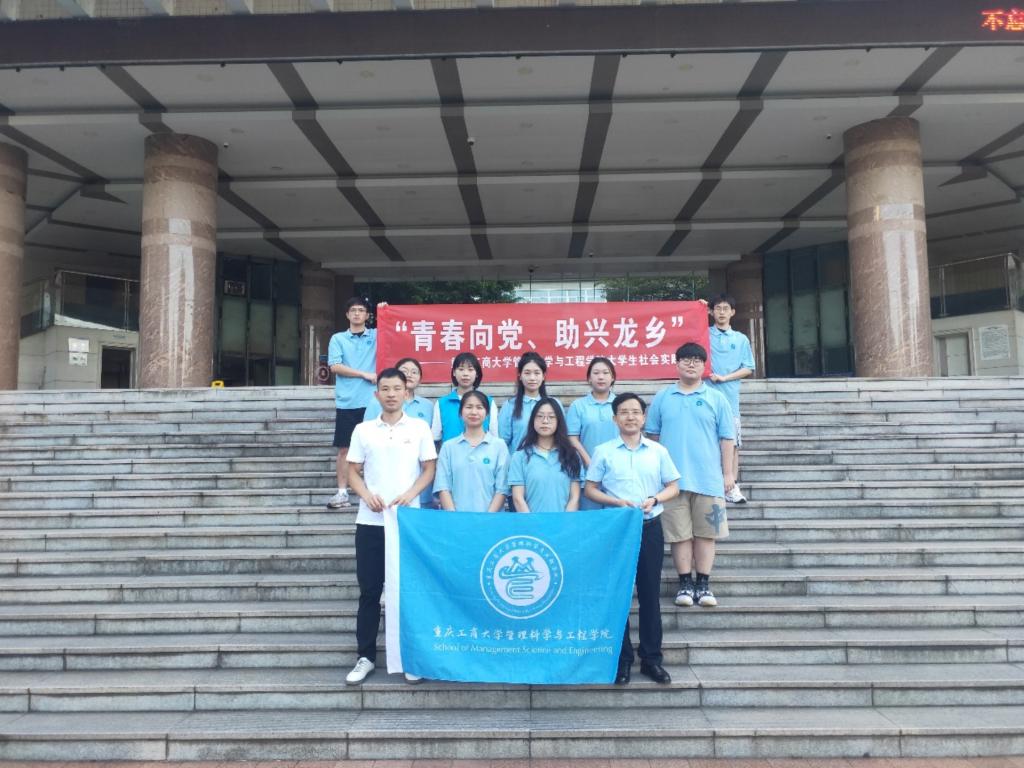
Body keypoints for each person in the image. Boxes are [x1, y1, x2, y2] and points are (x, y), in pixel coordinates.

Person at [345, 368, 437, 685]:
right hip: (370, 521)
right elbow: (353, 471)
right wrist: (366, 495)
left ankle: (410, 657)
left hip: (407, 522)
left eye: (397, 388)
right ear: (377, 394)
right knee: (370, 591)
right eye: (385, 389)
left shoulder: (419, 427)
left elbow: (429, 468)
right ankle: (366, 657)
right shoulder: (363, 430)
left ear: (406, 393)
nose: (391, 394)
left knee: (408, 591)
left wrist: (411, 494)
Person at [585, 392, 680, 686]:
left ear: (643, 417)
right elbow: (590, 489)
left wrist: (655, 498)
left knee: (650, 594)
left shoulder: (657, 451)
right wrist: (615, 502)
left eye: (635, 412)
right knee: (620, 594)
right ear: (615, 418)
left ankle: (652, 660)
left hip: (650, 527)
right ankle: (622, 659)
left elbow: (674, 486)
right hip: (617, 529)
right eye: (624, 412)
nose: (630, 417)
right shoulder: (603, 451)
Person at [646, 342, 735, 609]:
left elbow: (727, 438)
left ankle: (703, 584)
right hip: (672, 483)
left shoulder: (716, 398)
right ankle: (685, 583)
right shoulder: (663, 397)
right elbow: (652, 437)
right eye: (686, 359)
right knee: (679, 535)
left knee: (707, 534)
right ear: (677, 363)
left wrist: (728, 473)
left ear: (704, 365)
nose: (691, 363)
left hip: (709, 480)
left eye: (697, 359)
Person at [326, 297, 378, 510]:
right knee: (344, 449)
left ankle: (374, 490)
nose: (357, 314)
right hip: (347, 401)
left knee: (376, 448)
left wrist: (385, 309)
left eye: (361, 310)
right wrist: (364, 374)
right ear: (347, 314)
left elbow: (394, 327)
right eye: (353, 310)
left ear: (367, 315)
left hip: (373, 402)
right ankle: (342, 492)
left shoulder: (376, 335)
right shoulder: (338, 338)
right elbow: (335, 366)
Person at [363, 357, 434, 507]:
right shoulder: (376, 404)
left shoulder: (428, 406)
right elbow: (366, 438)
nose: (409, 375)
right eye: (405, 371)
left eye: (414, 372)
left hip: (418, 481)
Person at [707, 294, 755, 504]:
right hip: (706, 397)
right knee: (709, 443)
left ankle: (732, 486)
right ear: (711, 312)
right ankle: (713, 485)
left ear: (732, 312)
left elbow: (748, 367)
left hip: (730, 399)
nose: (722, 312)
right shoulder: (703, 334)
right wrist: (697, 308)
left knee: (733, 444)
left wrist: (725, 377)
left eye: (726, 308)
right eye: (717, 308)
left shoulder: (741, 339)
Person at [434, 391, 510, 513]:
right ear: (460, 413)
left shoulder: (499, 446)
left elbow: (502, 488)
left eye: (479, 407)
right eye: (469, 407)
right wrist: (455, 517)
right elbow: (443, 486)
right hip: (456, 519)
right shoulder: (448, 447)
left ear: (487, 414)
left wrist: (487, 518)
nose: (474, 412)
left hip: (491, 519)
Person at [507, 398, 581, 513]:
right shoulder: (520, 457)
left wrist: (565, 521)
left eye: (551, 417)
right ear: (532, 420)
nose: (545, 421)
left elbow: (574, 498)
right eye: (540, 416)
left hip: (563, 522)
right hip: (530, 522)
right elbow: (518, 498)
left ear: (559, 421)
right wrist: (533, 522)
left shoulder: (571, 455)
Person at [566, 356, 618, 510]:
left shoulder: (620, 404)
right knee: (590, 518)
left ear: (613, 377)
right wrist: (590, 462)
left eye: (605, 373)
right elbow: (572, 438)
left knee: (615, 517)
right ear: (589, 378)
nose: (601, 377)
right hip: (588, 472)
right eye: (596, 373)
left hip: (616, 472)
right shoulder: (578, 406)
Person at [498, 351, 562, 452]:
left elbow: (561, 436)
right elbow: (502, 442)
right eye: (527, 373)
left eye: (537, 373)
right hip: (518, 460)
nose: (532, 378)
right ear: (520, 375)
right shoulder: (510, 405)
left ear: (543, 376)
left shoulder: (555, 404)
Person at [431, 352, 499, 444]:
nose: (465, 374)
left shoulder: (488, 402)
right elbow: (435, 436)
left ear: (477, 374)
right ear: (454, 372)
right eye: (461, 369)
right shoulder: (442, 403)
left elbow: (494, 436)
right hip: (451, 453)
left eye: (470, 369)